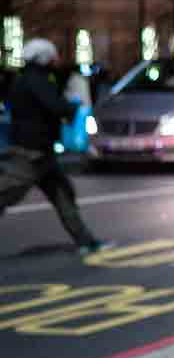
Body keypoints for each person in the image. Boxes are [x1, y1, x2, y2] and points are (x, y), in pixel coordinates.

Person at [1, 38, 106, 252]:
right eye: (53, 56)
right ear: (43, 58)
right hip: (32, 152)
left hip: (40, 151)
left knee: (63, 195)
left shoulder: (23, 79)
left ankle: (86, 242)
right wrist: (72, 107)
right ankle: (87, 242)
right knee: (6, 193)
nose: (56, 60)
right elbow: (55, 107)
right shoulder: (37, 81)